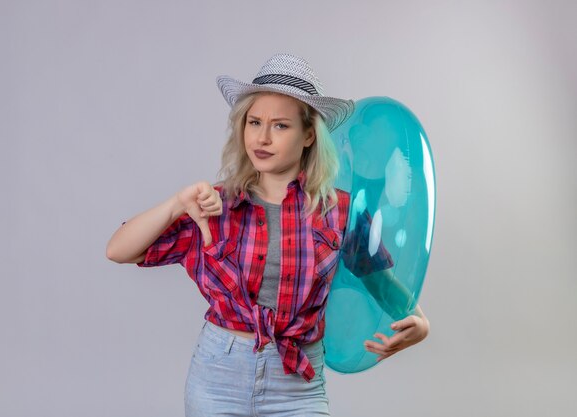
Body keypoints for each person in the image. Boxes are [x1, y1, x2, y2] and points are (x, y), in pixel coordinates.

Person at [106, 53, 430, 416]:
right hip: (218, 376)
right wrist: (177, 203)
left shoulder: (338, 211)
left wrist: (419, 321)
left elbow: (383, 284)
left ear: (309, 134)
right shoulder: (215, 205)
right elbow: (119, 250)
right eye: (254, 122)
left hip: (298, 384)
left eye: (280, 126)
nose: (261, 137)